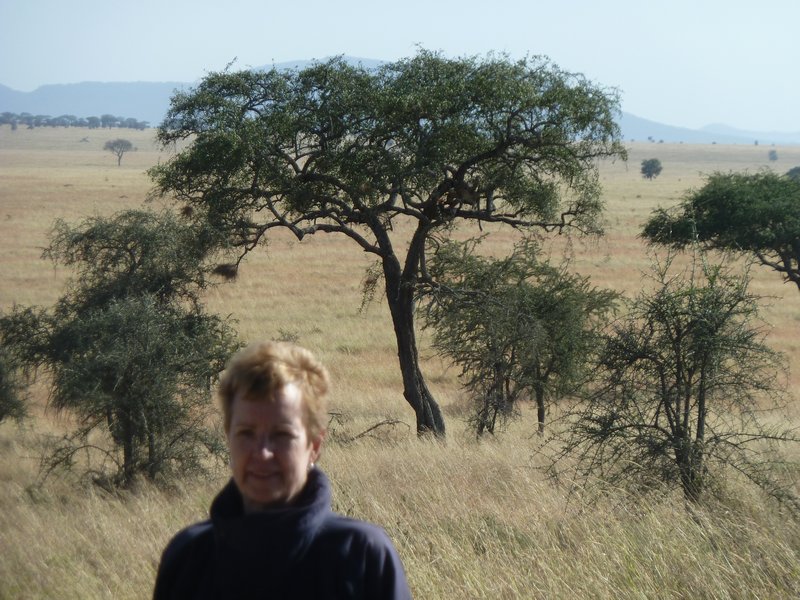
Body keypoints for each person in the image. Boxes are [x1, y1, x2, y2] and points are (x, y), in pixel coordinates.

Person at [153, 341, 412, 599]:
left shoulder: (361, 555)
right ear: (228, 438)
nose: (262, 452)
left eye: (281, 434)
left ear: (315, 445)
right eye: (246, 433)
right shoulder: (189, 557)